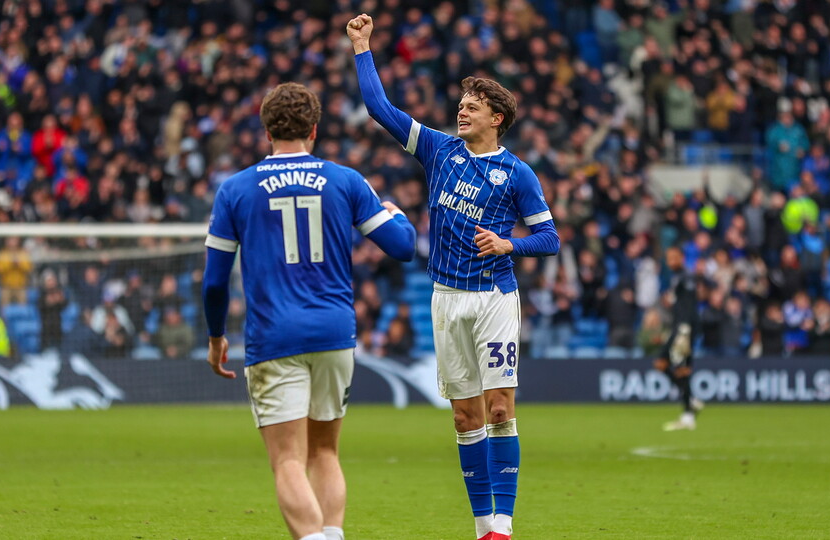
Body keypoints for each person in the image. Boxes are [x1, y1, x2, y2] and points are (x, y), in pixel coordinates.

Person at [347, 14, 561, 540]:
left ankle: (502, 527)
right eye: (461, 105)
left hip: (494, 296)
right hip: (446, 298)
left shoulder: (518, 174)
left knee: (499, 407)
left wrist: (511, 243)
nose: (462, 111)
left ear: (498, 118)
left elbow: (550, 238)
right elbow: (379, 109)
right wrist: (362, 47)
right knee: (466, 418)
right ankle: (481, 524)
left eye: (473, 106)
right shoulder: (439, 150)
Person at [202, 82, 417, 540]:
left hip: (274, 336)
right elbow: (403, 247)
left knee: (287, 460)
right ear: (314, 129)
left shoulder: (235, 189)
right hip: (334, 332)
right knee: (325, 454)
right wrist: (397, 214)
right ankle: (332, 534)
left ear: (266, 131)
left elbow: (215, 281)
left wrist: (216, 335)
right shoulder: (346, 180)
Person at [653, 247, 703, 431]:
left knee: (681, 369)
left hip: (684, 328)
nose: (671, 260)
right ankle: (691, 401)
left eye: (674, 257)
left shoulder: (686, 277)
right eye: (668, 257)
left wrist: (685, 330)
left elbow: (690, 306)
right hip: (679, 327)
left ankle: (688, 414)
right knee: (663, 364)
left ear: (682, 258)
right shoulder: (676, 277)